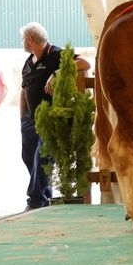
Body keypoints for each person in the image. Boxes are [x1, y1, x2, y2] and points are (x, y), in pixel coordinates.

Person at [19, 22, 90, 211]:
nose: (22, 43)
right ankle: (45, 197)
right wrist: (22, 118)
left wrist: (57, 72)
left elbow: (85, 63)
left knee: (42, 158)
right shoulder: (28, 62)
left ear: (30, 39)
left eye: (23, 39)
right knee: (28, 156)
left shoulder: (56, 54)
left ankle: (34, 200)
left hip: (50, 119)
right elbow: (23, 90)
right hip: (29, 119)